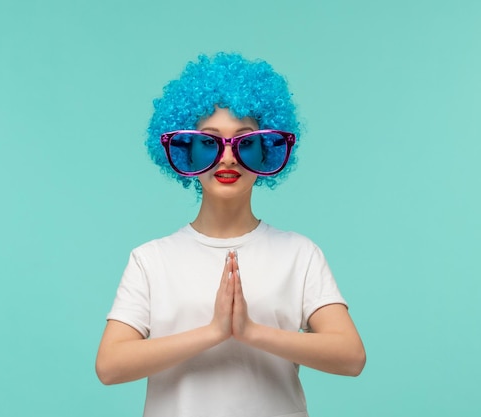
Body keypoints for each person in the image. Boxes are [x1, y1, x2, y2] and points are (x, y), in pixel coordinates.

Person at [96, 52, 366, 417]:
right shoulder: (150, 260)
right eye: (209, 142)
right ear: (185, 152)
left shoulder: (299, 254)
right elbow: (109, 365)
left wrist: (251, 331)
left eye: (244, 141)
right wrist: (214, 331)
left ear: (267, 150)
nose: (227, 158)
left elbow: (350, 356)